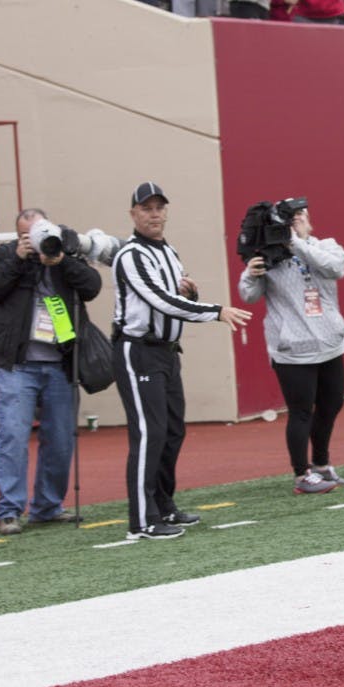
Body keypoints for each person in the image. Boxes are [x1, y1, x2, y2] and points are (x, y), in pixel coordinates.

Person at [112, 182, 253, 540]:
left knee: (172, 431)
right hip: (138, 350)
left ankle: (164, 507)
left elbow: (176, 295)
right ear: (133, 214)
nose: (154, 213)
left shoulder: (168, 251)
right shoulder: (131, 255)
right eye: (146, 208)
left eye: (159, 207)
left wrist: (191, 292)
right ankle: (141, 521)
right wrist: (215, 311)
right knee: (149, 433)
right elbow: (161, 301)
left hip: (166, 352)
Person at [0, 208, 102, 536]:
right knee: (13, 435)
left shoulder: (65, 251)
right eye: (28, 235)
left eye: (40, 232)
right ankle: (9, 510)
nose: (37, 239)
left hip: (60, 361)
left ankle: (47, 506)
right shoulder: (5, 255)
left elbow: (93, 286)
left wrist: (62, 260)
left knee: (61, 438)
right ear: (18, 235)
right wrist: (19, 259)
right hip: (18, 364)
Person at [237, 201, 344, 495]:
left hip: (330, 343)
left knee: (331, 405)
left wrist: (295, 243)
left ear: (310, 223)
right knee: (301, 412)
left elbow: (334, 268)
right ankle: (302, 474)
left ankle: (322, 464)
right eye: (292, 219)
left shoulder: (326, 246)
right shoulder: (271, 257)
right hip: (293, 350)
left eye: (302, 217)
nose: (298, 221)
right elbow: (249, 295)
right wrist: (251, 272)